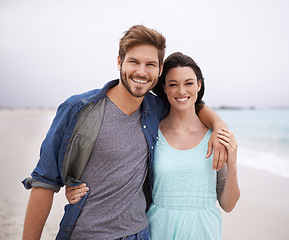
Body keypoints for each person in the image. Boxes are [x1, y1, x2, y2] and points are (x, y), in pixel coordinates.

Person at [22, 25, 228, 240]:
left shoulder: (155, 108)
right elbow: (44, 182)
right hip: (86, 234)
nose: (141, 71)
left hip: (139, 233)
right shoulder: (77, 109)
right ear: (119, 62)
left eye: (150, 64)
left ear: (159, 71)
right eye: (134, 62)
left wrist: (219, 126)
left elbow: (191, 105)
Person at [66, 52, 240, 239]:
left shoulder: (215, 137)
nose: (182, 91)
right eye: (173, 84)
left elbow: (228, 205)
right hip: (159, 229)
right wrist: (79, 188)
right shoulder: (151, 132)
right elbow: (122, 171)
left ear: (198, 85)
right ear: (164, 88)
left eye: (189, 83)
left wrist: (233, 165)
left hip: (205, 231)